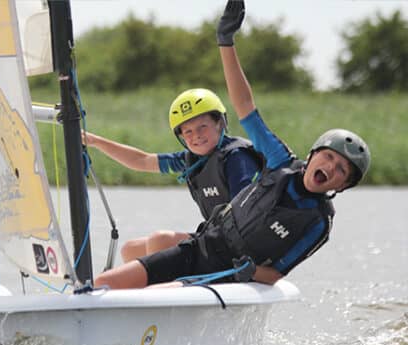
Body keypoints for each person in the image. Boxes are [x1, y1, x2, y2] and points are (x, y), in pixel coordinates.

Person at [94, 0, 370, 289]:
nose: (331, 167)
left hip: (225, 272)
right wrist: (225, 41)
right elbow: (246, 107)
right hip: (199, 247)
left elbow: (275, 274)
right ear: (313, 155)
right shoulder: (280, 161)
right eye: (328, 157)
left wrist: (248, 271)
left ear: (342, 185)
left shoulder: (317, 223)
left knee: (150, 291)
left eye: (341, 170)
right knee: (105, 284)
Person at [83, 88, 262, 262]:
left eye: (202, 127)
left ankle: (164, 286)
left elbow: (247, 212)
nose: (196, 136)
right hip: (215, 237)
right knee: (131, 249)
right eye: (188, 132)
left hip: (239, 245)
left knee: (160, 241)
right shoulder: (191, 160)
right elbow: (142, 161)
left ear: (219, 123)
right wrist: (95, 142)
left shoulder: (236, 157)